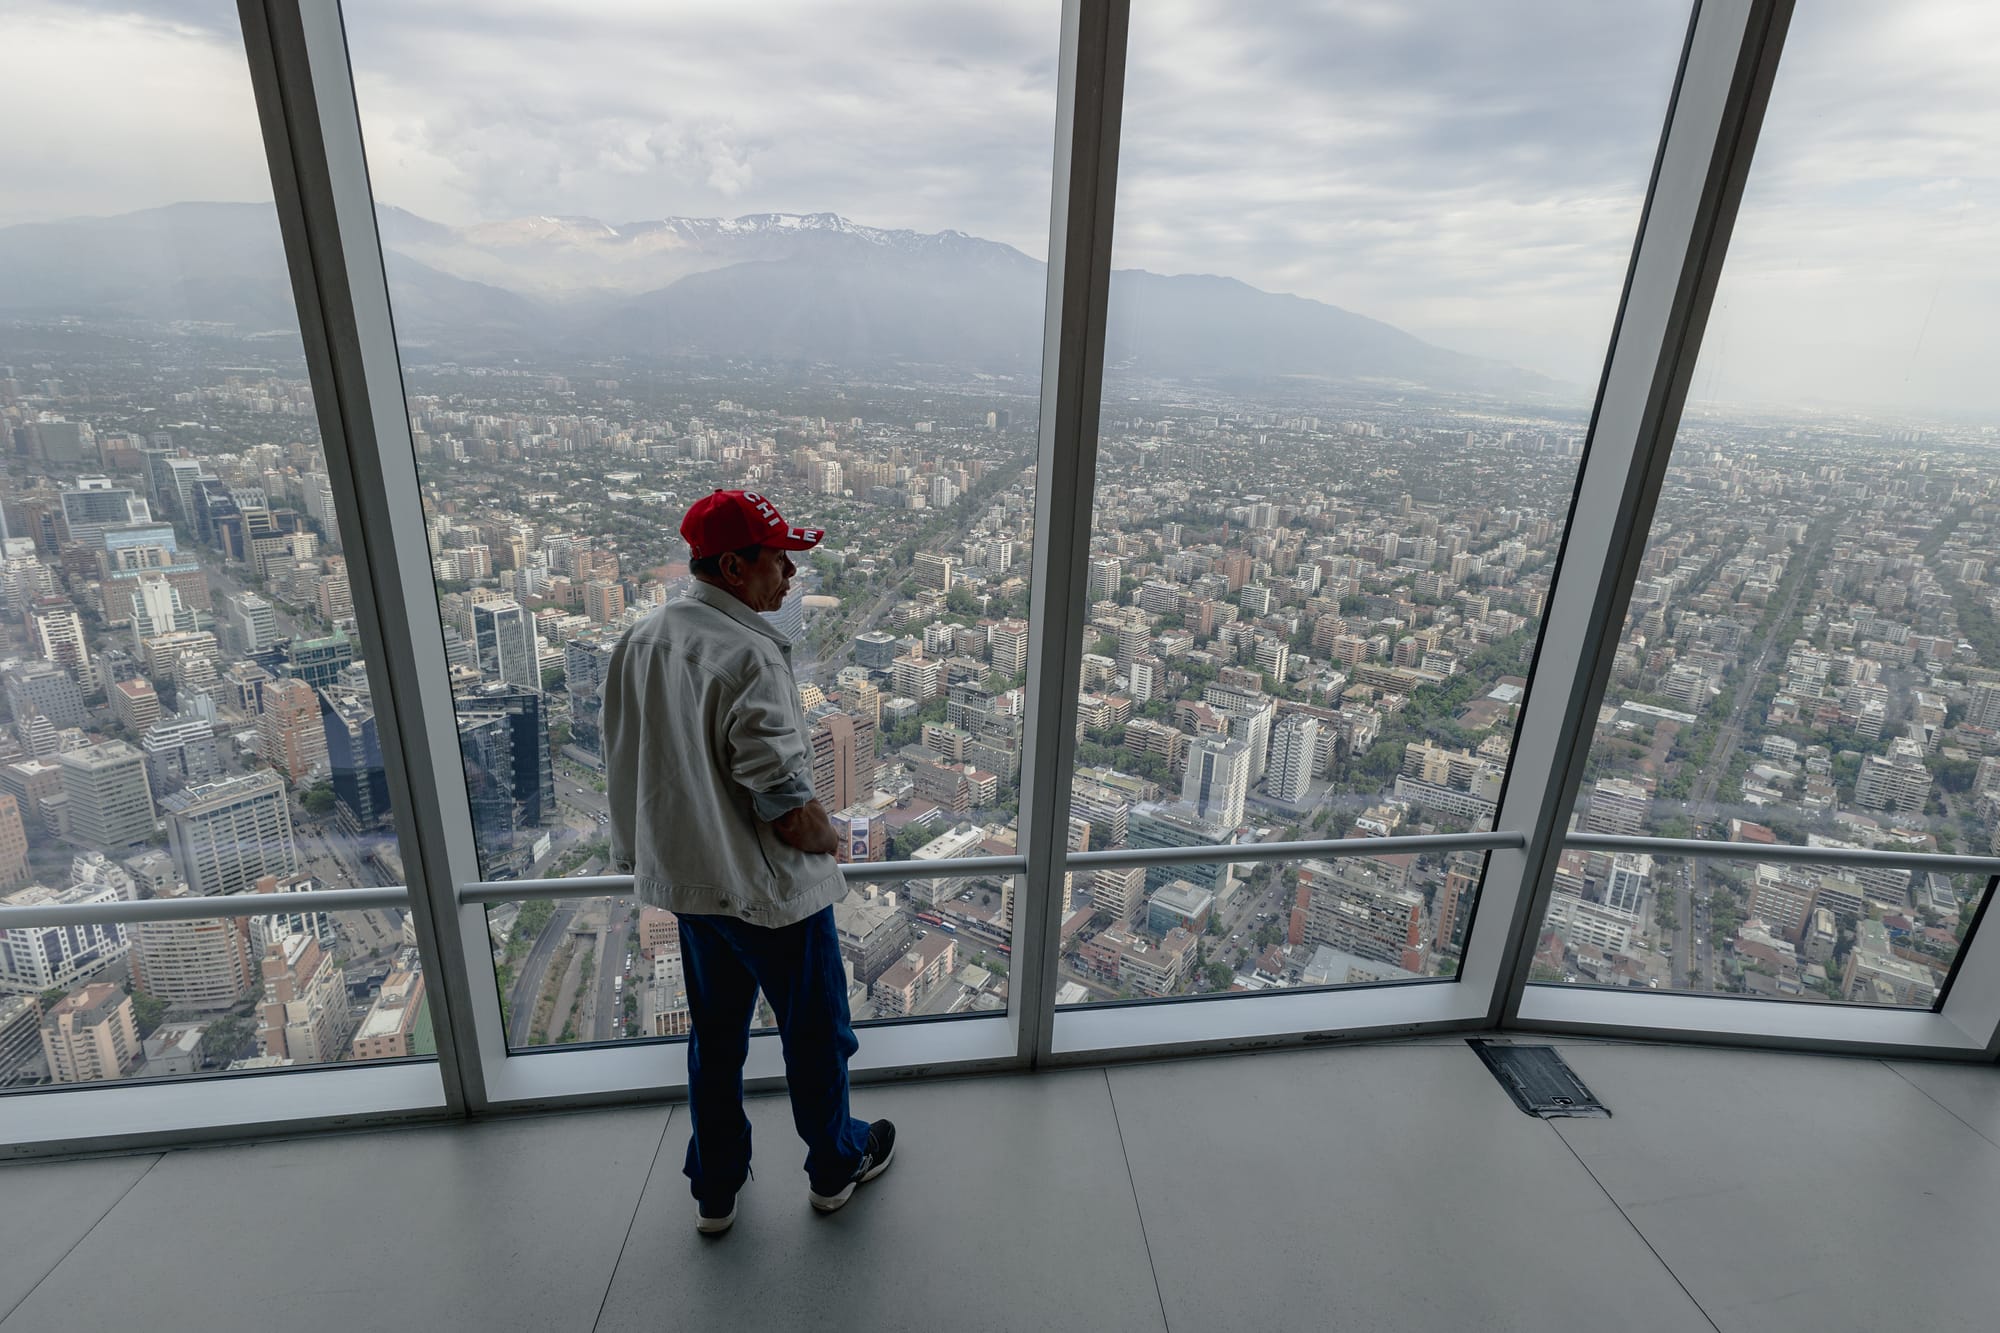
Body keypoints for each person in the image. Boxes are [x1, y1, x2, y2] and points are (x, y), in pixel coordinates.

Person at [603, 488, 894, 1236]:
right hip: (771, 895)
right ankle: (834, 1166)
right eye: (778, 558)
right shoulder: (750, 655)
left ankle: (716, 1188)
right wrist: (830, 837)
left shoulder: (642, 638)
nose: (791, 573)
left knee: (716, 1042)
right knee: (816, 1035)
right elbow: (784, 802)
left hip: (691, 885)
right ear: (733, 567)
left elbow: (631, 760)